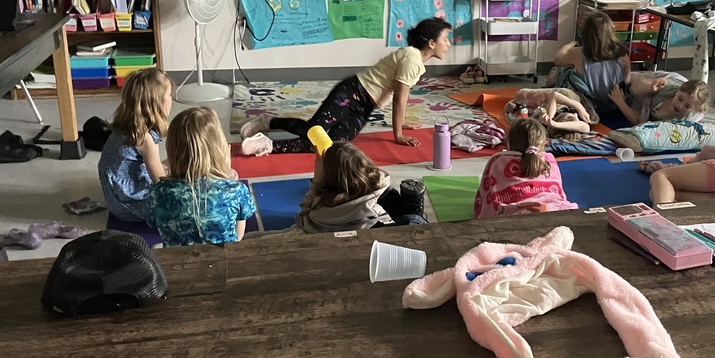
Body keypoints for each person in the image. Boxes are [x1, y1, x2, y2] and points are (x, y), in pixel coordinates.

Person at [240, 17, 453, 154]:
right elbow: (400, 96)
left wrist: (401, 123)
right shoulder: (412, 57)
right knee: (315, 134)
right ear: (431, 43)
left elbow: (397, 95)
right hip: (352, 93)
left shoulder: (415, 61)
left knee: (331, 144)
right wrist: (398, 134)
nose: (449, 44)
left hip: (365, 106)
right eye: (445, 39)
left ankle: (269, 125)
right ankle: (266, 142)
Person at [147, 107, 256, 247]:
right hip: (225, 261)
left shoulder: (157, 192)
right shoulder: (236, 190)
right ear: (221, 148)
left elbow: (154, 223)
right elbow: (238, 236)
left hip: (177, 262)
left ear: (172, 152)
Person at [295, 142, 427, 233]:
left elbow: (303, 216)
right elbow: (379, 180)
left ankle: (411, 214)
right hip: (376, 230)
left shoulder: (319, 212)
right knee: (406, 217)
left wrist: (316, 181)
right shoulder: (376, 202)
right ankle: (412, 213)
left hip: (351, 235)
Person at [97, 67, 172, 223]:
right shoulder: (144, 139)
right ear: (157, 103)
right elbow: (161, 182)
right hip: (130, 206)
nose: (172, 98)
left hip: (115, 201)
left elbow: (152, 166)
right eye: (169, 95)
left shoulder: (126, 128)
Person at [474, 118, 578, 218]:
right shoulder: (549, 160)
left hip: (513, 218)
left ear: (509, 142)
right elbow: (559, 193)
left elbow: (485, 199)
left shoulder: (498, 161)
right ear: (543, 143)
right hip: (553, 211)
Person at [552, 11, 630, 116]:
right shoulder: (623, 53)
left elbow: (557, 60)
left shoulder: (577, 53)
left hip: (589, 105)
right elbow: (627, 79)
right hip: (614, 103)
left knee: (563, 70)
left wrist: (571, 44)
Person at [608, 76, 710, 126]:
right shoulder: (668, 89)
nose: (680, 105)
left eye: (687, 106)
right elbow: (637, 84)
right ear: (677, 92)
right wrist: (652, 85)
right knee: (628, 80)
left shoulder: (687, 119)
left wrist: (620, 102)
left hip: (642, 106)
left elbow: (639, 122)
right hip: (651, 87)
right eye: (680, 99)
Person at [504, 87, 598, 138]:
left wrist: (554, 123)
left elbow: (586, 127)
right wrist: (577, 106)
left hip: (553, 106)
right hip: (569, 98)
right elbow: (555, 95)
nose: (575, 115)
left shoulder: (550, 121)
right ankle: (520, 105)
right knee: (521, 95)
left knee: (520, 94)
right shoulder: (579, 123)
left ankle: (519, 105)